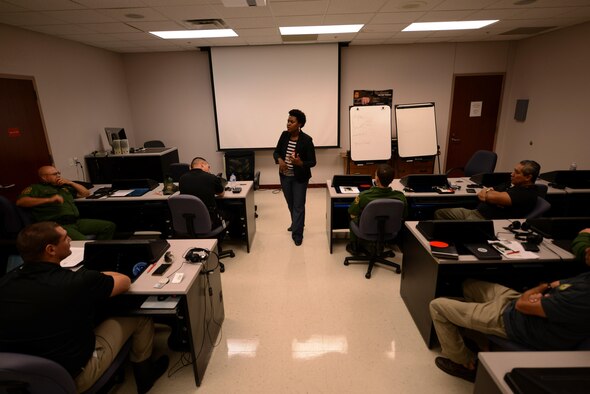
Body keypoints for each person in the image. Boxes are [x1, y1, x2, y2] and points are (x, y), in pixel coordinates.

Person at [0, 222, 168, 393]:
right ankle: (145, 377)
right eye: (65, 238)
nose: (71, 239)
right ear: (51, 249)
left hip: (17, 378)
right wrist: (96, 276)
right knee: (139, 316)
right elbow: (124, 281)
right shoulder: (76, 282)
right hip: (72, 377)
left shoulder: (5, 282)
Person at [429, 229, 590, 382]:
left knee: (437, 306)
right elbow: (552, 285)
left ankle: (465, 363)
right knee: (469, 284)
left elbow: (523, 305)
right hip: (521, 305)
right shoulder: (586, 278)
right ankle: (479, 339)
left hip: (516, 321)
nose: (587, 250)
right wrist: (542, 291)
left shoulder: (582, 297)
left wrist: (537, 294)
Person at [17, 165, 116, 240]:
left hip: (75, 222)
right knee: (85, 243)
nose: (58, 176)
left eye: (58, 173)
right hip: (58, 225)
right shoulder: (35, 188)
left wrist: (70, 182)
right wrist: (49, 200)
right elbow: (21, 202)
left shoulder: (63, 187)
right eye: (54, 174)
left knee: (108, 226)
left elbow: (85, 193)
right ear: (44, 177)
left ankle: (101, 251)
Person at [434, 160, 541, 220]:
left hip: (486, 221)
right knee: (440, 213)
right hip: (475, 212)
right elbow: (485, 192)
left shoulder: (526, 193)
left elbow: (489, 195)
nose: (512, 174)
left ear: (528, 177)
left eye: (517, 172)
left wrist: (489, 195)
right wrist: (490, 194)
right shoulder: (511, 183)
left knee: (458, 226)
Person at [273, 109, 317, 246]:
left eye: (292, 122)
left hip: (300, 178)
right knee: (291, 203)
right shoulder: (284, 135)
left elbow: (313, 162)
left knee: (298, 205)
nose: (288, 124)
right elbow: (276, 152)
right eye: (288, 121)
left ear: (300, 124)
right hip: (285, 176)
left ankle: (297, 234)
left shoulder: (307, 140)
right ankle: (297, 224)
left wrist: (300, 163)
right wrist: (279, 160)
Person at [346, 164, 408, 255]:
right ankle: (381, 244)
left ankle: (354, 246)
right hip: (390, 230)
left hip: (366, 229)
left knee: (351, 216)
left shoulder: (364, 196)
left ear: (377, 179)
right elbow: (404, 215)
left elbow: (351, 211)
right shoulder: (400, 197)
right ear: (391, 180)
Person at [179, 156, 225, 228]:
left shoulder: (182, 178)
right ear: (202, 165)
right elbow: (221, 194)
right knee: (229, 213)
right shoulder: (211, 177)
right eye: (208, 167)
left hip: (188, 219)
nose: (209, 169)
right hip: (208, 217)